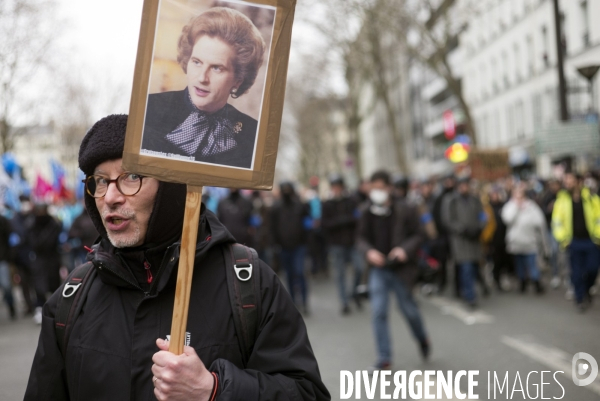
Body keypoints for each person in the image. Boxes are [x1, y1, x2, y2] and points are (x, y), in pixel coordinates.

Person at [25, 115, 330, 400]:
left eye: (132, 176)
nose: (111, 197)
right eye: (100, 180)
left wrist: (214, 389)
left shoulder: (248, 283)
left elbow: (306, 391)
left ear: (170, 185)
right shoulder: (70, 299)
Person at [141, 7, 265, 169]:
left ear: (238, 79)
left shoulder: (253, 134)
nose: (202, 78)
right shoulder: (148, 109)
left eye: (217, 68)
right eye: (197, 62)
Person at [357, 170, 430, 371]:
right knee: (378, 311)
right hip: (378, 269)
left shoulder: (406, 208)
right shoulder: (366, 211)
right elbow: (361, 238)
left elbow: (419, 235)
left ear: (390, 188)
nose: (377, 192)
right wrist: (369, 252)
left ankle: (422, 338)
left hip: (401, 269)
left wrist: (403, 250)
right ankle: (384, 358)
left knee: (409, 310)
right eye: (374, 189)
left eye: (380, 188)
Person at [552, 172, 600, 312]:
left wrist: (597, 236)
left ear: (578, 181)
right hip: (573, 243)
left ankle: (587, 289)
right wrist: (563, 239)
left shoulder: (591, 198)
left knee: (592, 269)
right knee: (576, 273)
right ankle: (580, 298)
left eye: (570, 180)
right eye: (566, 181)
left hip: (591, 242)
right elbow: (557, 222)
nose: (567, 183)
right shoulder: (562, 201)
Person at [442, 177, 486, 308]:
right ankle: (470, 296)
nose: (464, 188)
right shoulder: (451, 201)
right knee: (465, 268)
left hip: (474, 240)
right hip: (460, 241)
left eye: (466, 185)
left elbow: (483, 216)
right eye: (461, 185)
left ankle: (469, 291)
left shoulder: (475, 200)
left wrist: (480, 227)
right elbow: (448, 220)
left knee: (473, 267)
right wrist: (462, 229)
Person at [321, 174, 362, 314]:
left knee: (359, 268)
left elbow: (357, 219)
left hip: (352, 242)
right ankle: (344, 302)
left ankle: (354, 293)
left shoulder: (351, 201)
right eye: (334, 187)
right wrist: (342, 221)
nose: (337, 189)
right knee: (340, 274)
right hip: (336, 244)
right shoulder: (327, 204)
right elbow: (325, 224)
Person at [270, 181, 311, 313]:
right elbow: (272, 228)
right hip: (283, 247)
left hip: (299, 246)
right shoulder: (276, 208)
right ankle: (293, 302)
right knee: (289, 275)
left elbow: (307, 225)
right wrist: (275, 245)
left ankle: (304, 301)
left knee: (299, 273)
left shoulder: (300, 206)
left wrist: (307, 243)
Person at [501, 182, 548, 294]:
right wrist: (516, 207)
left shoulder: (531, 206)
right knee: (520, 265)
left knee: (532, 264)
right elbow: (507, 219)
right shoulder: (510, 206)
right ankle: (522, 283)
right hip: (516, 243)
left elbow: (539, 221)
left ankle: (536, 282)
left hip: (530, 242)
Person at [28, 203, 62, 324]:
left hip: (52, 259)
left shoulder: (54, 224)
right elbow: (34, 243)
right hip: (39, 261)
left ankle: (56, 310)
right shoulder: (32, 224)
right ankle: (40, 309)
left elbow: (52, 241)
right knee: (39, 287)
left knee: (54, 285)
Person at [0, 213, 15, 320]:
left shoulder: (3, 220)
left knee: (6, 286)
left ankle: (10, 305)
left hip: (2, 258)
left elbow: (10, 236)